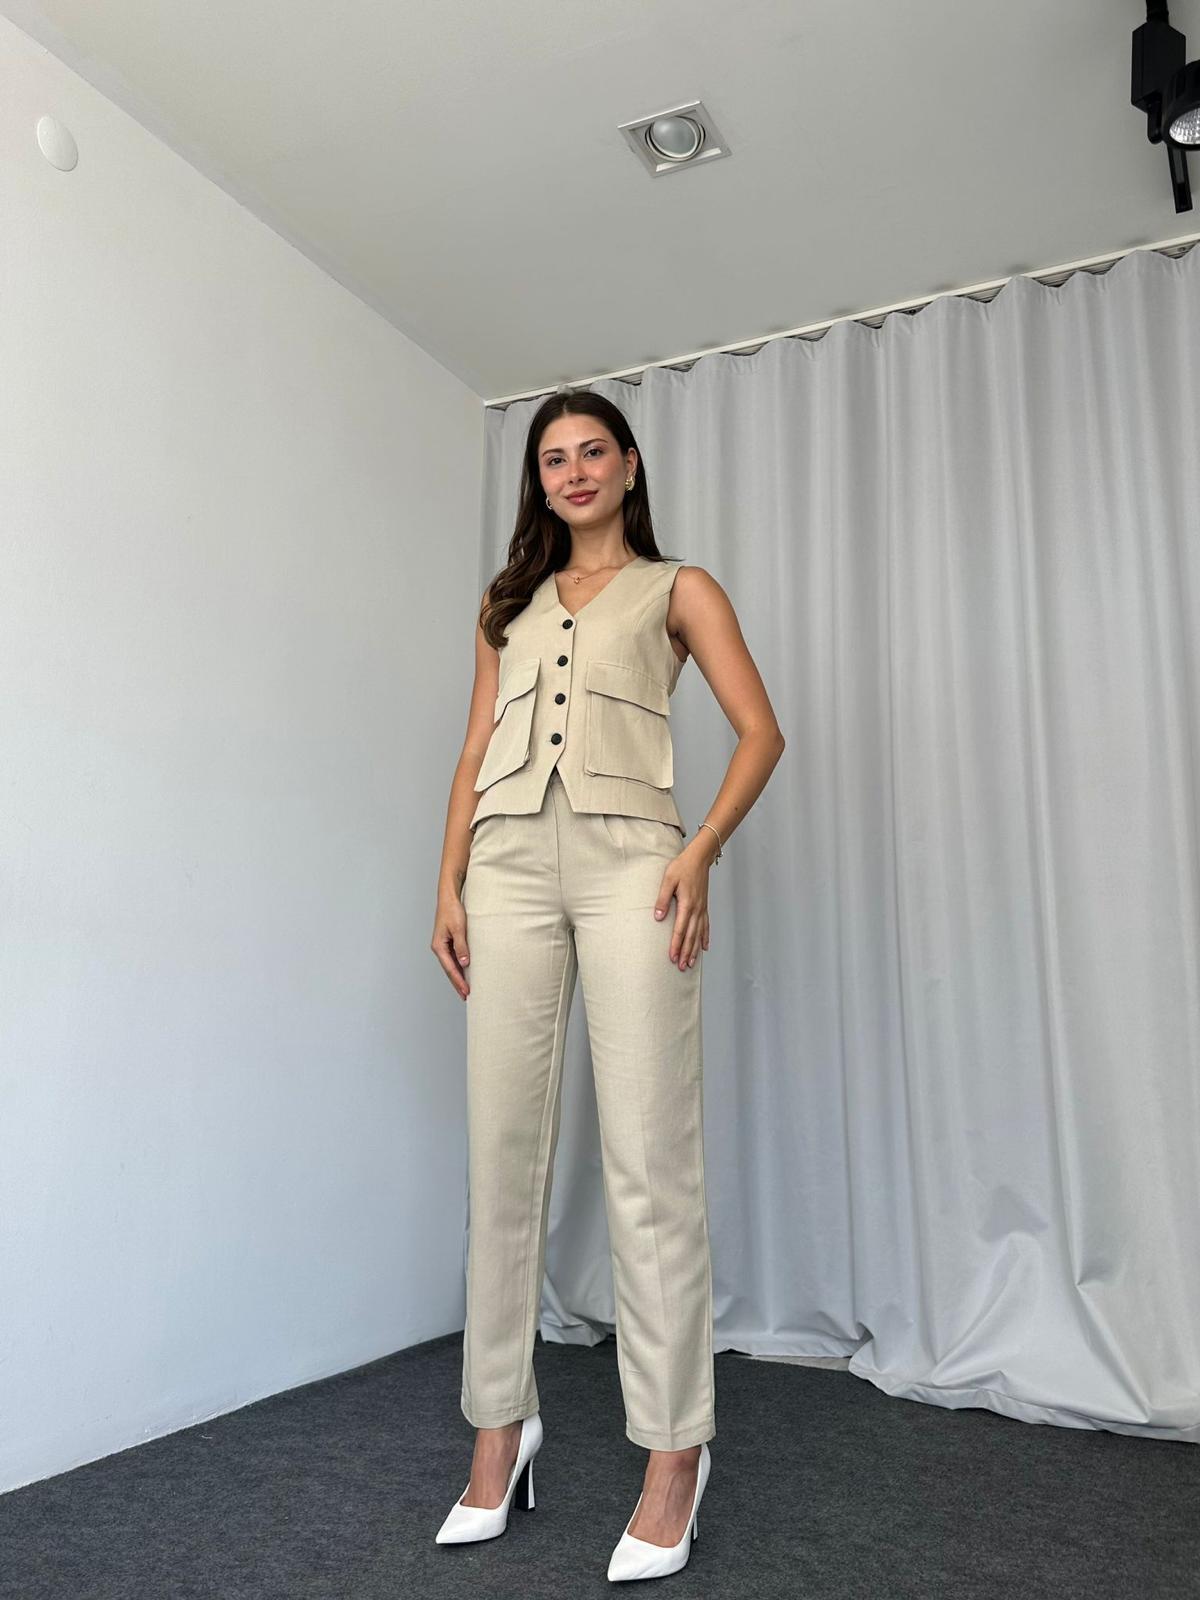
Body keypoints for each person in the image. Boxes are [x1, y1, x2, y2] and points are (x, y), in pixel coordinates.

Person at [430, 390, 785, 1581]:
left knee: (648, 1159)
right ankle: (498, 1430)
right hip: (507, 869)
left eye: (593, 452)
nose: (573, 471)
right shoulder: (508, 604)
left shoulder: (678, 589)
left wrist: (699, 852)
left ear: (630, 467)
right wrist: (447, 884)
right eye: (553, 459)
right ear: (538, 481)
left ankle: (676, 1451)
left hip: (637, 864)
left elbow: (760, 732)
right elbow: (473, 752)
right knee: (502, 1156)